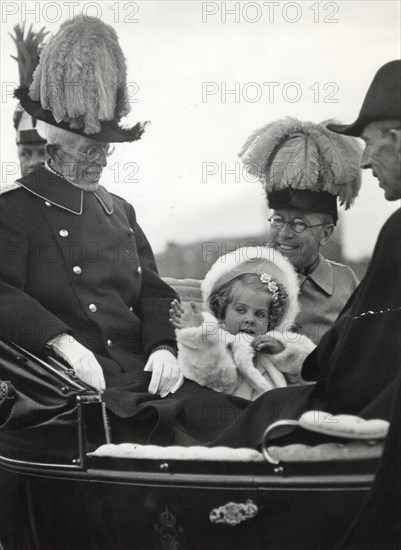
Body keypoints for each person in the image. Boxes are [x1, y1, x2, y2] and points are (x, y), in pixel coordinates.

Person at [0, 15, 183, 399]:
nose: (101, 161)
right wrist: (60, 341)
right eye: (88, 151)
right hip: (72, 387)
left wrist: (164, 346)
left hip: (142, 373)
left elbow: (154, 292)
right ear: (53, 151)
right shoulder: (14, 209)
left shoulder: (119, 210)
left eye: (104, 149)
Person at [240, 119, 362, 344]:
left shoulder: (346, 283)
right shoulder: (245, 274)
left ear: (326, 233)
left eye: (299, 224)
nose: (284, 233)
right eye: (277, 221)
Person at [170, 246, 315, 400]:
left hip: (278, 414)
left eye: (260, 314)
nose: (250, 319)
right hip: (233, 415)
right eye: (240, 310)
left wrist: (283, 353)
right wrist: (199, 334)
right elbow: (213, 379)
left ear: (270, 320)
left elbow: (311, 374)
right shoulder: (218, 341)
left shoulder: (278, 341)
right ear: (223, 310)